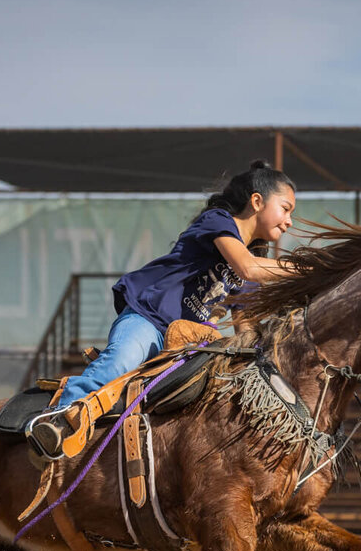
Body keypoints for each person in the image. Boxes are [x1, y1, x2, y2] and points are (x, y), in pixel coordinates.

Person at [29, 160, 297, 459]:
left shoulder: (251, 264)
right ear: (257, 201)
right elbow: (246, 267)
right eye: (285, 209)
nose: (289, 221)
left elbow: (245, 329)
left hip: (185, 348)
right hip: (148, 321)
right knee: (120, 363)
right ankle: (56, 422)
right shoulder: (218, 222)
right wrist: (306, 267)